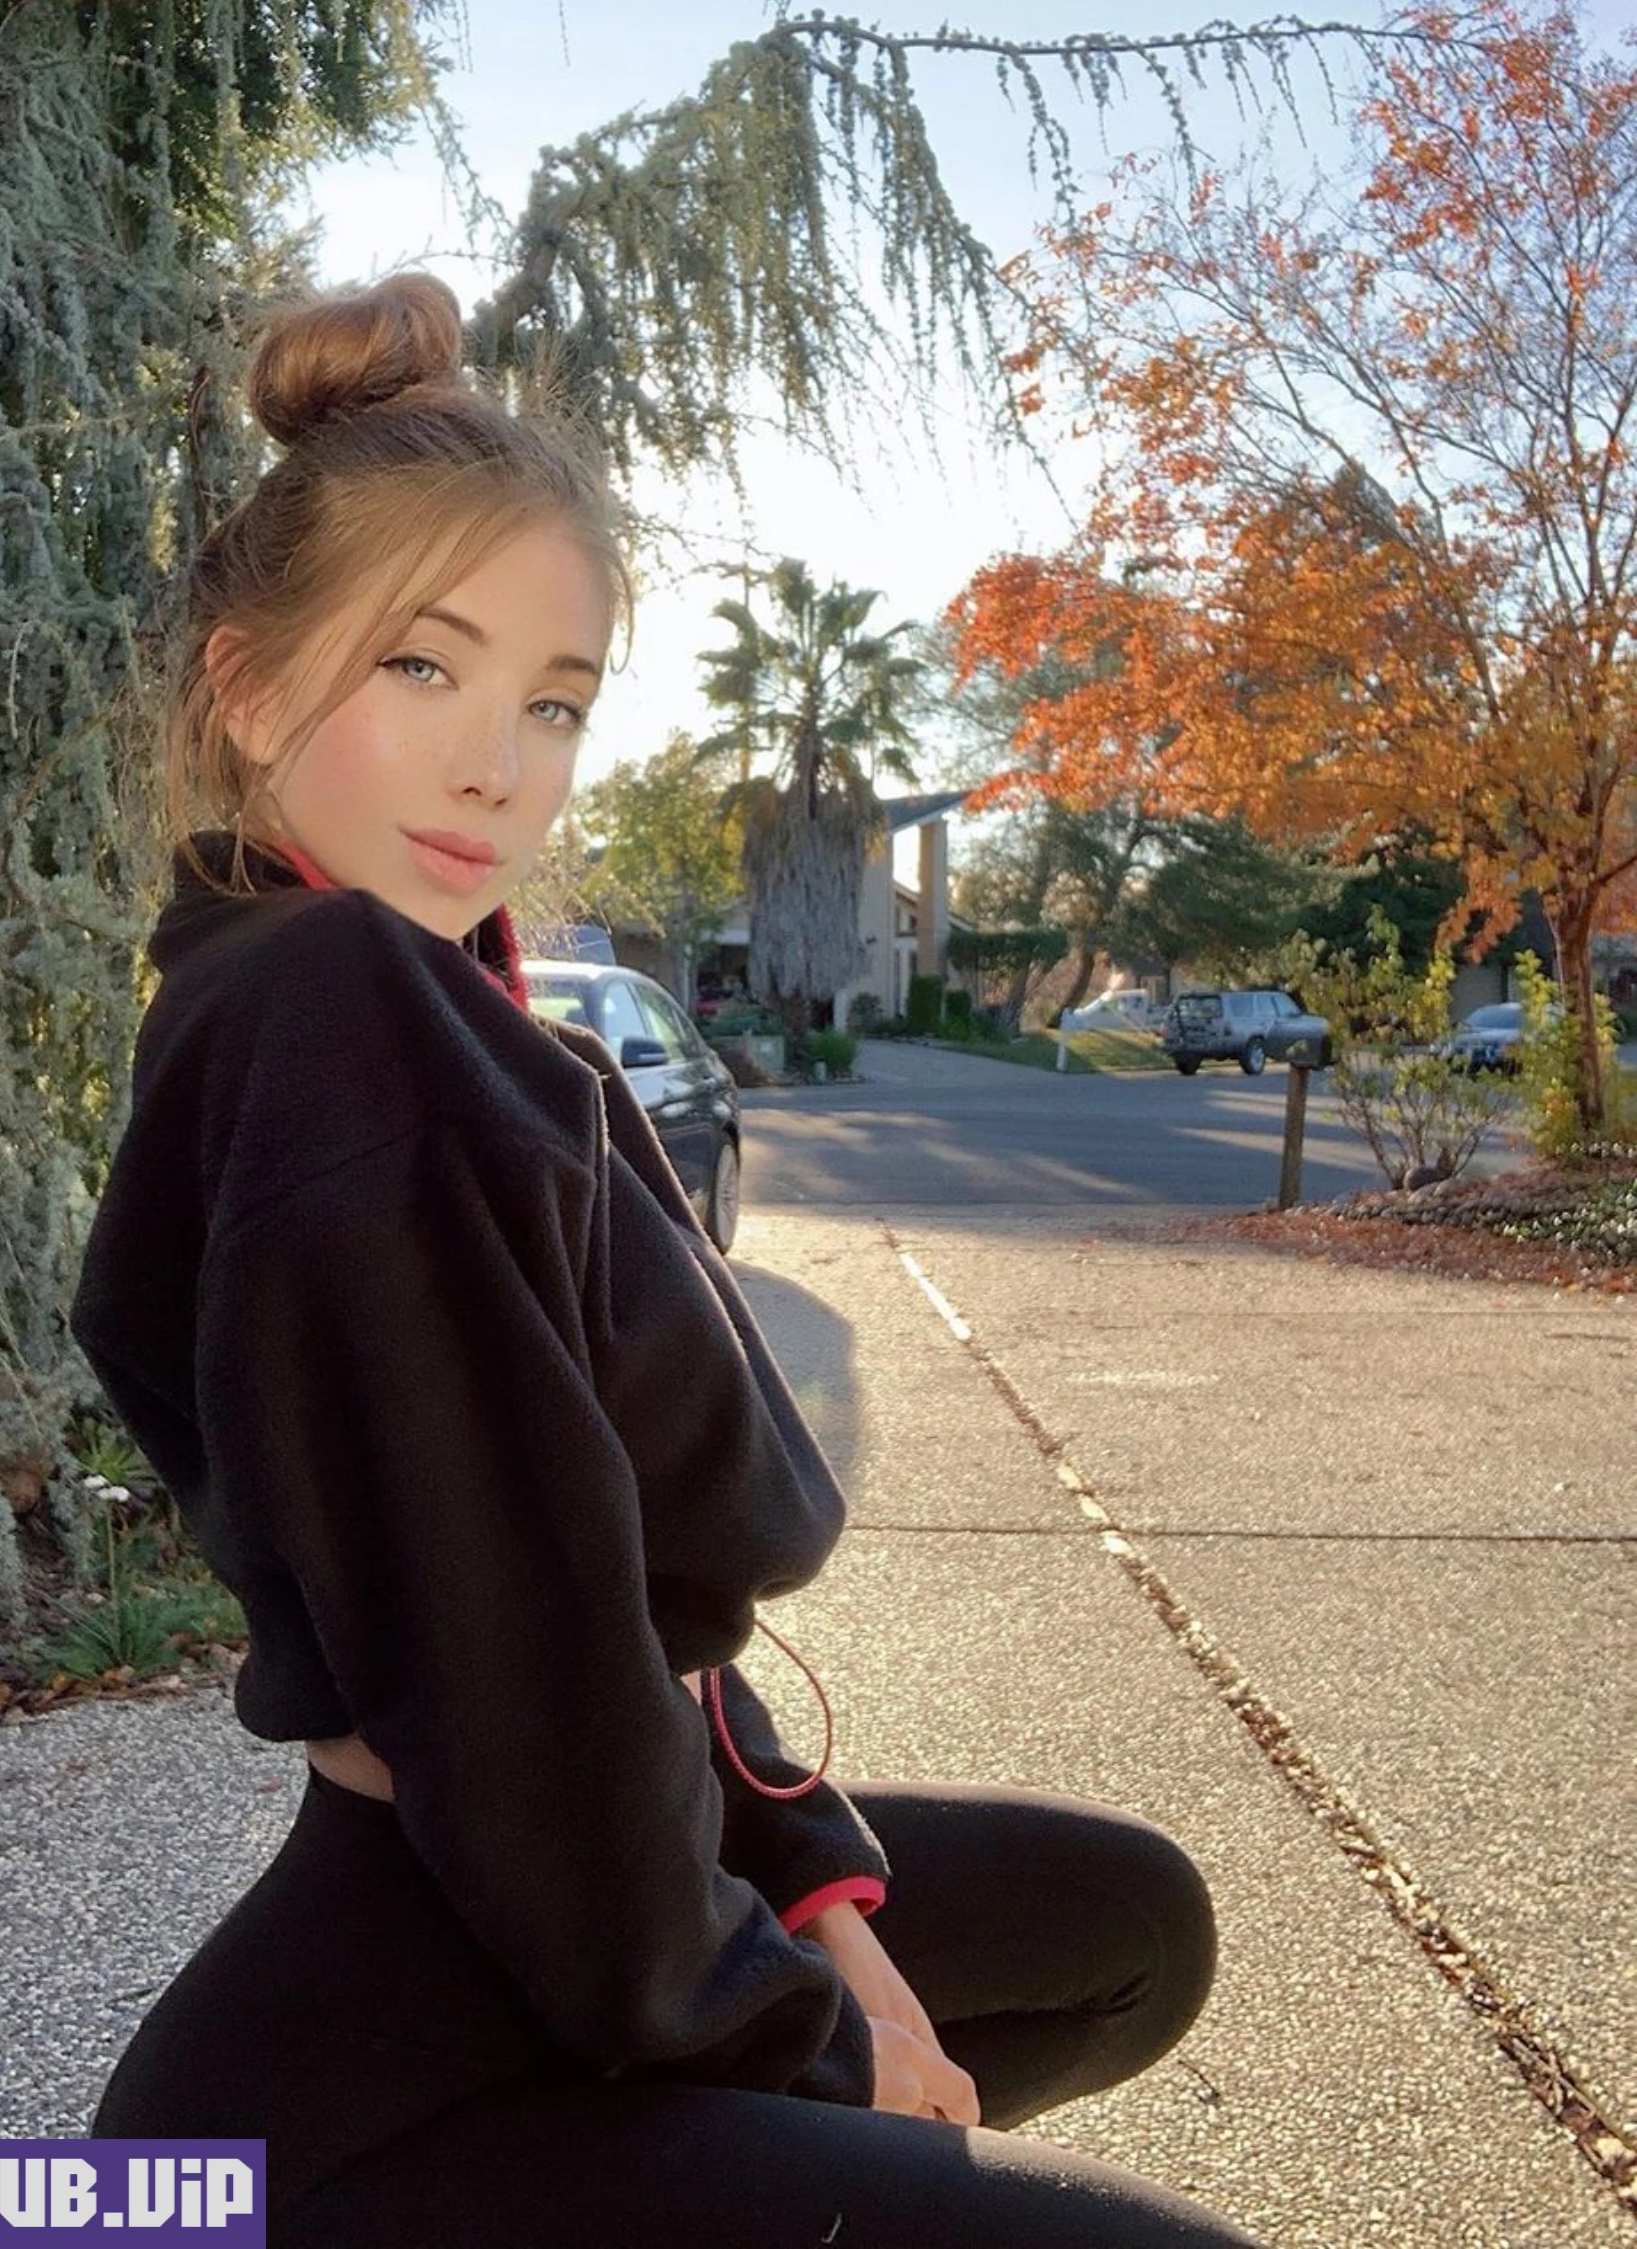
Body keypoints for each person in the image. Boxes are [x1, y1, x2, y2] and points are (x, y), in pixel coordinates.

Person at [68, 272, 1265, 2248]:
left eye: (552, 701)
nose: (500, 765)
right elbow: (519, 1671)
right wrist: (814, 2046)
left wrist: (823, 1906)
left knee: (1123, 1924)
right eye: (421, 668)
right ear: (250, 688)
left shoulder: (432, 1004)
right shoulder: (334, 1015)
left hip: (536, 1926)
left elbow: (629, 1600)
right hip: (379, 2087)